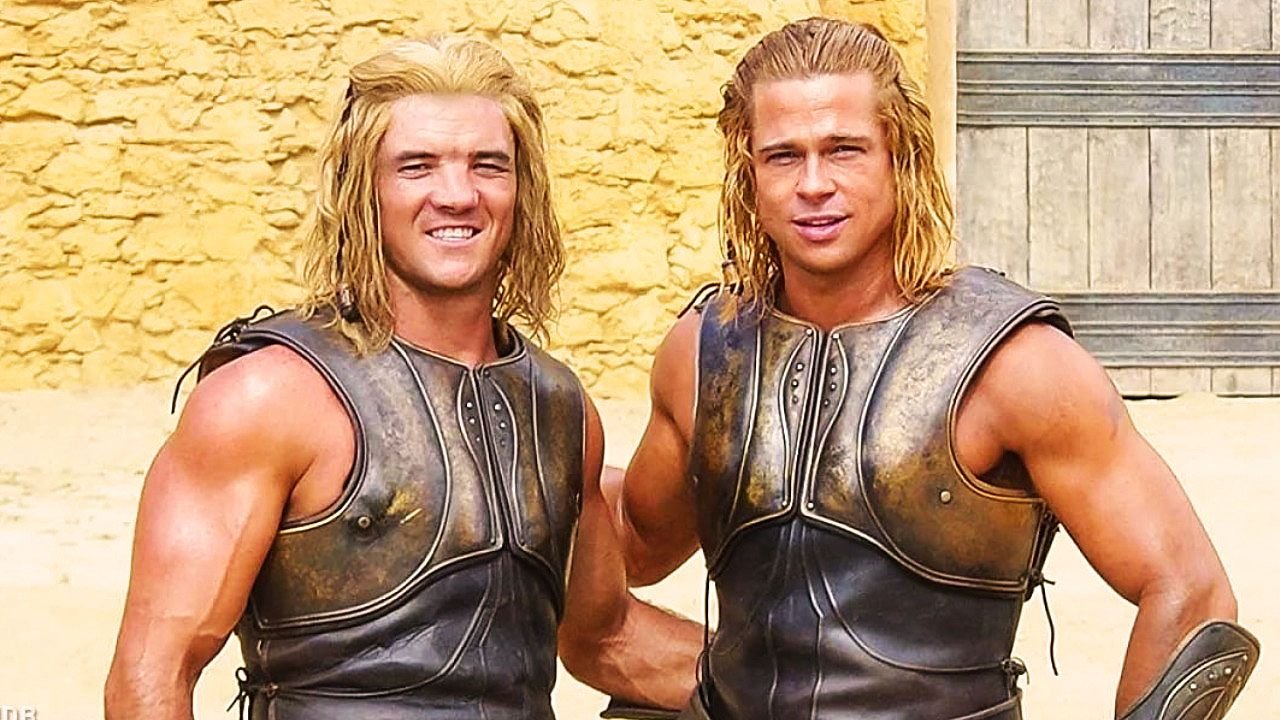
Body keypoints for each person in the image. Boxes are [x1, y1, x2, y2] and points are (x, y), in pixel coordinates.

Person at [610, 17, 1259, 720]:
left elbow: (1190, 593)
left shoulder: (1015, 364)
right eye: (783, 157)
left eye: (845, 150)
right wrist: (547, 448)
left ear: (902, 157)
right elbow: (636, 547)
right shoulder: (703, 354)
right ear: (750, 176)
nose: (814, 184)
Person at [104, 35, 700, 720]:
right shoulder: (269, 398)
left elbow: (605, 636)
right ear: (365, 190)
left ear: (522, 190)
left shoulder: (557, 407)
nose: (458, 195)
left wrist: (792, 683)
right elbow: (151, 677)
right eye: (416, 166)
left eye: (488, 166)